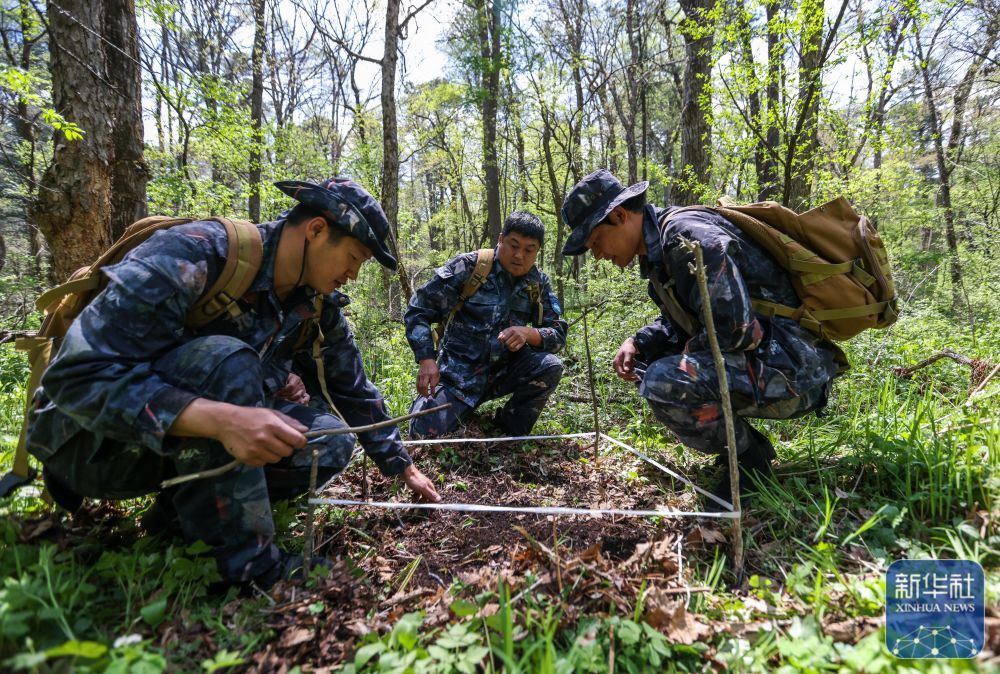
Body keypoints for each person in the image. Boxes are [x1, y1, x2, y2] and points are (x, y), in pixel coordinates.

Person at [25, 178, 441, 588]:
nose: (353, 274)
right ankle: (247, 569)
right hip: (87, 446)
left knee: (328, 442)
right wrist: (221, 420)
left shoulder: (313, 304)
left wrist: (402, 468)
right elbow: (75, 378)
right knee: (228, 360)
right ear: (316, 230)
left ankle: (180, 524)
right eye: (354, 257)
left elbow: (352, 390)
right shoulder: (196, 252)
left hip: (171, 447)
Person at [560, 169, 842, 508]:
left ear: (619, 215)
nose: (598, 254)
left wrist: (676, 361)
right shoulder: (661, 258)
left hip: (795, 369)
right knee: (649, 364)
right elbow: (683, 321)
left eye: (595, 242)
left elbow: (736, 330)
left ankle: (751, 465)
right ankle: (744, 447)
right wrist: (638, 341)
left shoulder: (686, 238)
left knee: (664, 379)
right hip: (773, 361)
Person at [404, 211, 568, 439]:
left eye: (529, 250)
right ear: (500, 239)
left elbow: (558, 334)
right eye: (514, 245)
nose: (519, 255)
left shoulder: (538, 283)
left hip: (504, 373)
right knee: (421, 433)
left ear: (538, 251)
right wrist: (426, 359)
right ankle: (459, 409)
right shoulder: (471, 267)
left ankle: (507, 431)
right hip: (457, 377)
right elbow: (418, 310)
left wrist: (528, 333)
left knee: (550, 366)